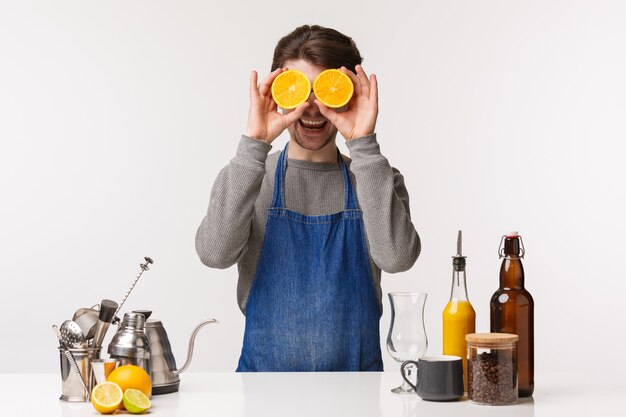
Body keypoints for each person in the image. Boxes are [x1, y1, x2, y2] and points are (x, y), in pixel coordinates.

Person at [196, 24, 420, 372]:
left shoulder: (376, 177)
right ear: (276, 94)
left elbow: (397, 259)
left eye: (326, 91)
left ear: (351, 95)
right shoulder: (251, 175)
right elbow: (213, 254)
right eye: (299, 91)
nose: (312, 108)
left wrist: (364, 144)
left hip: (357, 394)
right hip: (263, 392)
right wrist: (253, 145)